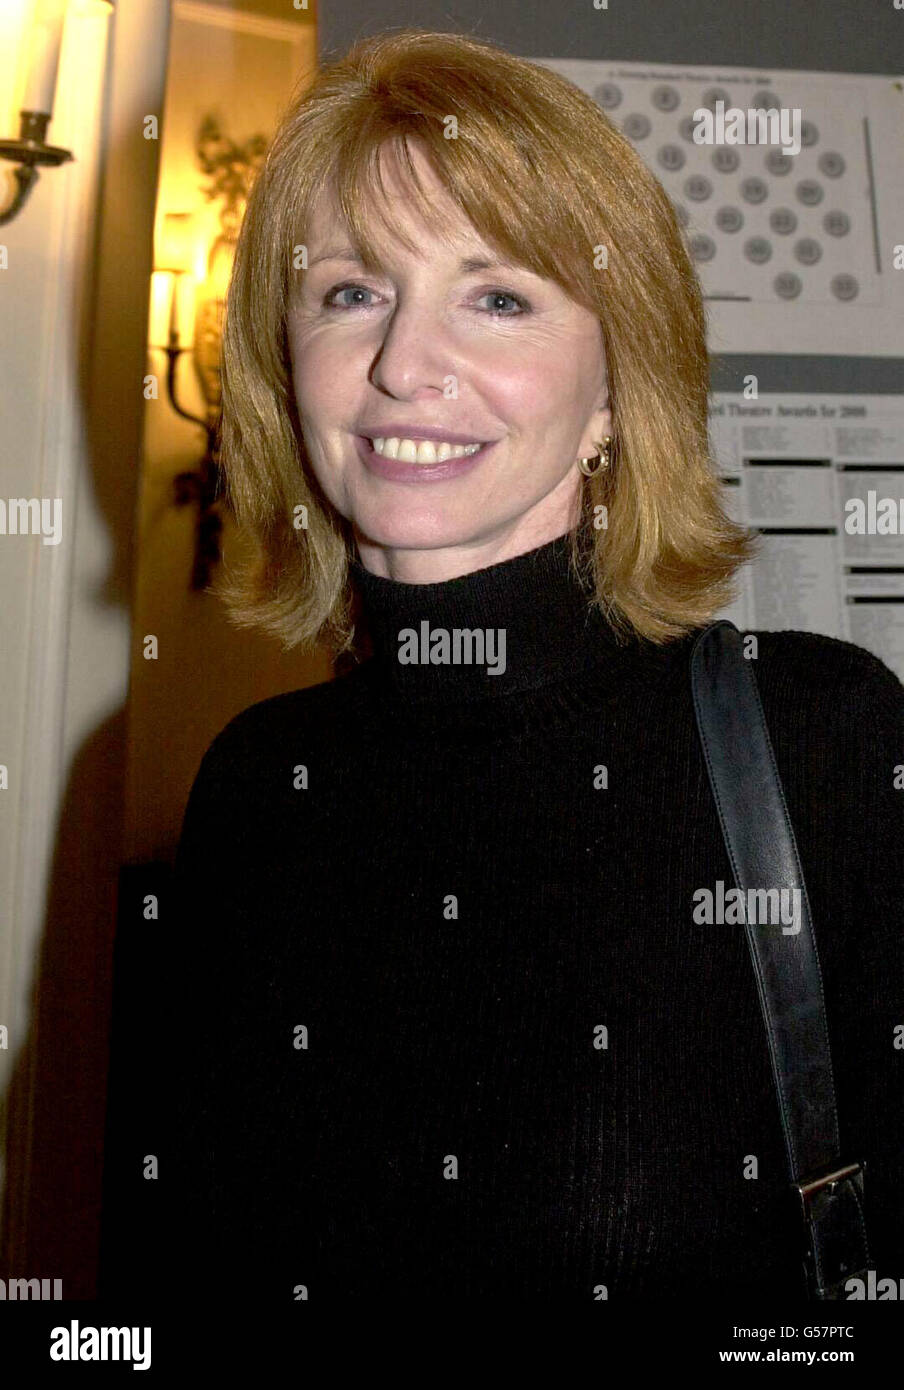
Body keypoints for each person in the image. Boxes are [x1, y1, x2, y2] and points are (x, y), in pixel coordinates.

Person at [163, 29, 904, 1303]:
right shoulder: (256, 785)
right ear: (286, 369)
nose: (402, 363)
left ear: (615, 385)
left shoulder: (819, 738)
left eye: (496, 296)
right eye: (351, 291)